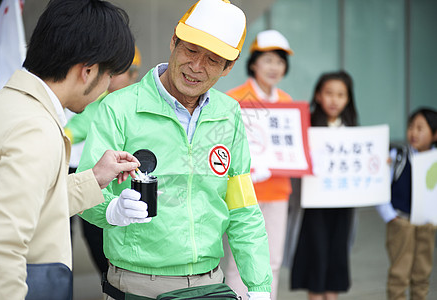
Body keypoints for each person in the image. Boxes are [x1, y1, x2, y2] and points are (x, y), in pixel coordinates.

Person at [77, 0, 273, 299]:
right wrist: (112, 211)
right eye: (191, 50)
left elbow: (243, 208)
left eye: (212, 59)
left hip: (210, 284)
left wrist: (259, 286)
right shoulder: (120, 108)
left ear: (228, 67)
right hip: (138, 286)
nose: (196, 67)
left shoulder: (228, 113)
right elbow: (85, 191)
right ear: (173, 41)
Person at [0, 0, 139, 299]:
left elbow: (37, 204)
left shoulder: (1, 105)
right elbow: (3, 245)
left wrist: (94, 178)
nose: (107, 86)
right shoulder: (36, 128)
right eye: (109, 76)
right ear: (88, 70)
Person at [224, 29, 294, 300]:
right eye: (268, 60)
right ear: (253, 63)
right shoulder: (234, 98)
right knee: (239, 262)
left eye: (279, 61)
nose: (274, 67)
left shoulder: (288, 103)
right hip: (243, 192)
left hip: (278, 191)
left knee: (273, 260)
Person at [64, 46, 142, 276]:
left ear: (133, 74)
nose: (110, 77)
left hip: (125, 183)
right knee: (92, 236)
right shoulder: (100, 101)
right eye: (109, 71)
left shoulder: (140, 102)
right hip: (94, 179)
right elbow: (77, 127)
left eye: (118, 72)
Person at [290, 71, 358, 300]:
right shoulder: (306, 125)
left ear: (348, 99)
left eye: (340, 94)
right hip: (314, 205)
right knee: (316, 256)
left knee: (338, 255)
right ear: (318, 95)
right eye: (329, 93)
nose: (334, 99)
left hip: (343, 205)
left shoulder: (352, 130)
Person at [376, 108, 437, 300]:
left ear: (435, 134)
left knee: (422, 272)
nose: (413, 133)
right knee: (399, 274)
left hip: (427, 223)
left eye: (420, 128)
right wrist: (389, 215)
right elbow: (381, 186)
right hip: (401, 221)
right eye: (411, 127)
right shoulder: (398, 156)